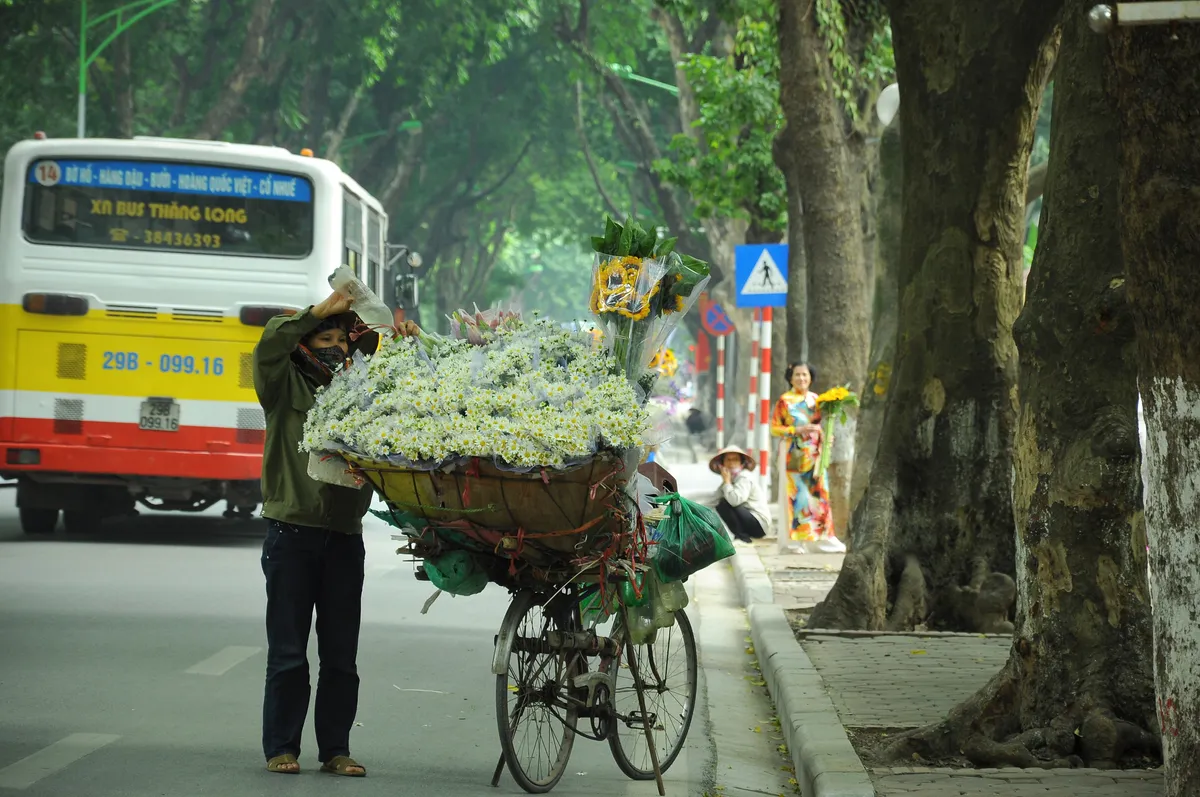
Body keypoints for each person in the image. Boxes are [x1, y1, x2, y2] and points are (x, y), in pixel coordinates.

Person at [253, 290, 417, 777]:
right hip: (290, 534)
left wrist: (405, 345)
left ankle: (336, 749)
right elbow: (267, 346)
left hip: (344, 537)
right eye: (325, 338)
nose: (337, 347)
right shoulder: (282, 386)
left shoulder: (358, 391)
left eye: (342, 340)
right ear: (305, 344)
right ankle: (281, 746)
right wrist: (313, 314)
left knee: (341, 657)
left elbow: (387, 366)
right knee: (288, 654)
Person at [771, 362, 844, 553]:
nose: (801, 379)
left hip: (815, 456)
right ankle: (793, 543)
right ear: (790, 378)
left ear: (811, 377)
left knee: (819, 494)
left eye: (805, 375)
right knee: (796, 496)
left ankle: (823, 540)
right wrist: (798, 430)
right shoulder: (784, 401)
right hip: (793, 455)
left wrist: (827, 436)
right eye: (797, 375)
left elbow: (821, 425)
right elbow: (775, 428)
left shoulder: (816, 400)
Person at [707, 446, 771, 543]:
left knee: (724, 504)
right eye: (728, 460)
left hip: (759, 524)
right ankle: (740, 536)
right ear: (722, 464)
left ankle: (742, 537)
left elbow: (735, 501)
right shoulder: (730, 479)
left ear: (741, 463)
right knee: (721, 502)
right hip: (748, 520)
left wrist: (727, 482)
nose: (731, 463)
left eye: (735, 460)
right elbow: (714, 499)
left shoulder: (744, 477)